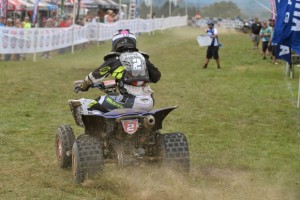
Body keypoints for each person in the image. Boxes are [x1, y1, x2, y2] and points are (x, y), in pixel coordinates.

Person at [70, 29, 161, 113]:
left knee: (92, 104)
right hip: (149, 102)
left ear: (116, 43)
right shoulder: (143, 57)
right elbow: (156, 76)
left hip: (128, 102)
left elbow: (94, 76)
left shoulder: (115, 59)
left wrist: (83, 86)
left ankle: (99, 130)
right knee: (117, 99)